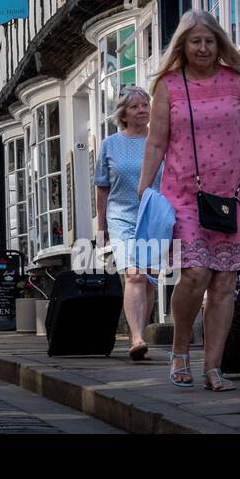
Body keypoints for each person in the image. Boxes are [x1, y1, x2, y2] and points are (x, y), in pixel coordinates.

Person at [137, 9, 240, 392]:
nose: (203, 47)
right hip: (183, 192)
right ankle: (181, 350)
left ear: (220, 44)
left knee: (224, 283)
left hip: (234, 193)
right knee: (196, 273)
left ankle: (214, 367)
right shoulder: (169, 85)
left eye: (210, 40)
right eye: (195, 41)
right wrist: (145, 188)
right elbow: (156, 142)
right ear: (183, 45)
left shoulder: (237, 82)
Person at [94, 85, 163, 361]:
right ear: (123, 113)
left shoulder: (159, 141)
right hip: (121, 216)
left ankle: (140, 333)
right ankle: (135, 338)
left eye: (145, 105)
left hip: (153, 215)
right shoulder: (110, 145)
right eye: (135, 106)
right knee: (133, 274)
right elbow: (102, 187)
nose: (142, 110)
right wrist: (102, 228)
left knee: (149, 279)